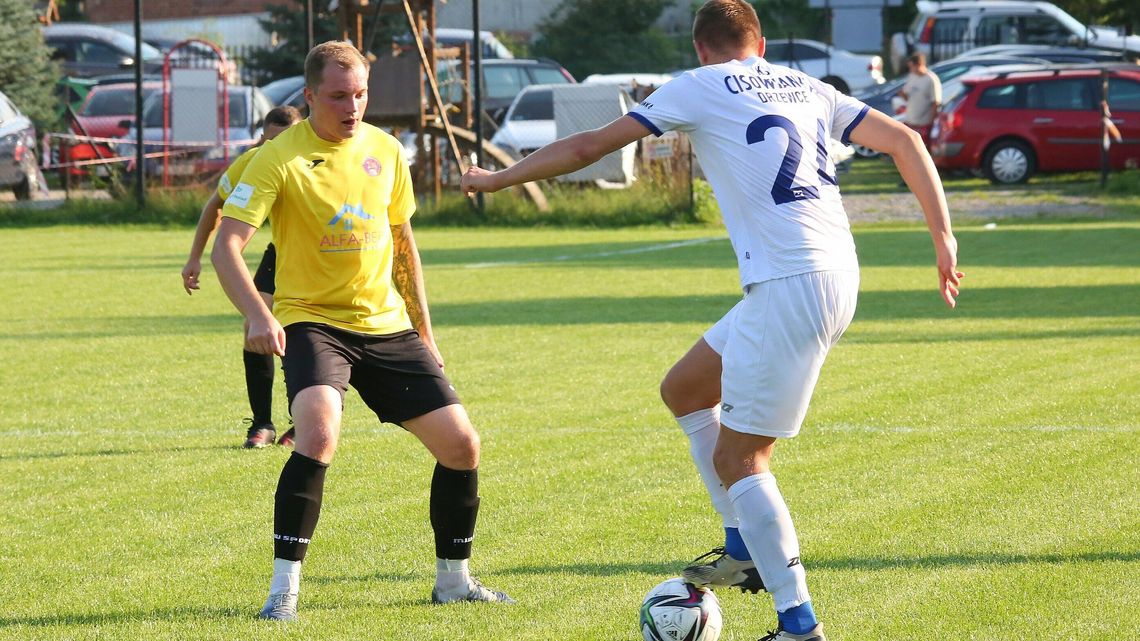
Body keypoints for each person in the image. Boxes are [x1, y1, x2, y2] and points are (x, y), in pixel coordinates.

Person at [460, 2, 962, 639]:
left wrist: (498, 177)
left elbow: (589, 145)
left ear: (701, 48)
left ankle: (798, 623)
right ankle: (741, 544)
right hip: (834, 273)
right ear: (758, 41)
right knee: (687, 389)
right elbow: (907, 140)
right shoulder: (809, 86)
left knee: (743, 458)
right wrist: (942, 237)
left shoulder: (698, 85)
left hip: (790, 284)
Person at [211, 41, 514, 622]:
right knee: (318, 436)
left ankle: (454, 582)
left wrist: (425, 330)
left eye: (360, 95)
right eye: (337, 96)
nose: (352, 107)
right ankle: (283, 593)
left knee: (461, 446)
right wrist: (257, 312)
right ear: (308, 96)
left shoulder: (387, 149)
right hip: (314, 322)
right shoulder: (278, 158)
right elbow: (228, 245)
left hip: (388, 326)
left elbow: (402, 245)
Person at [182, 105, 303, 449]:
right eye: (270, 140)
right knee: (255, 328)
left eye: (285, 140)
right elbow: (215, 205)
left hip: (317, 256)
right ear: (262, 138)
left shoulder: (312, 158)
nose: (276, 147)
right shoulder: (253, 161)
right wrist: (194, 257)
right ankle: (263, 424)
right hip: (280, 252)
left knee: (306, 330)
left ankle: (305, 421)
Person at [898, 52, 941, 147]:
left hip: (924, 122)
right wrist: (902, 94)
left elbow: (936, 102)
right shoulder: (912, 76)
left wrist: (931, 122)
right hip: (910, 120)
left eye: (912, 66)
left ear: (919, 65)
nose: (911, 69)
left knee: (922, 147)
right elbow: (907, 97)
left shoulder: (931, 79)